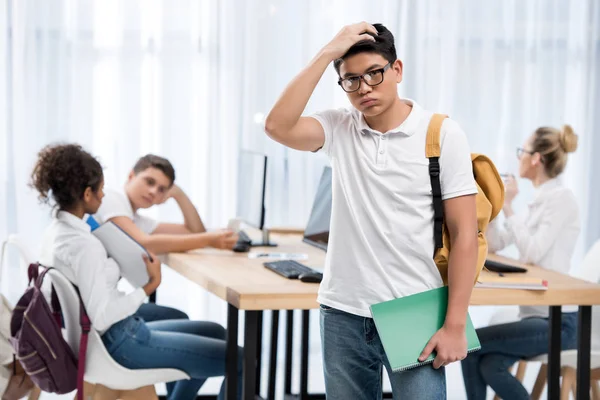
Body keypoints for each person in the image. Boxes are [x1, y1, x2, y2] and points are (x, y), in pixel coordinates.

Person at [265, 22, 479, 399]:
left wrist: (455, 323)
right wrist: (327, 52)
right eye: (351, 80)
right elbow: (277, 126)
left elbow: (464, 235)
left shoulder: (442, 133)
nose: (364, 87)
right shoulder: (338, 127)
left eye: (374, 74)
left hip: (415, 308)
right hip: (342, 311)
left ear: (397, 70)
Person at [33, 144, 242, 400]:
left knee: (216, 333)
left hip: (116, 333)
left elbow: (192, 231)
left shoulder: (60, 232)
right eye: (100, 190)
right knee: (241, 360)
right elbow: (102, 317)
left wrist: (178, 196)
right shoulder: (84, 244)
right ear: (88, 194)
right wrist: (148, 286)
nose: (103, 196)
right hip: (118, 343)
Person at [461, 125, 580, 400]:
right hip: (536, 317)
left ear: (536, 158)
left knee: (469, 346)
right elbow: (498, 242)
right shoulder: (538, 202)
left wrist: (509, 207)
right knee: (490, 364)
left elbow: (534, 252)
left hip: (560, 322)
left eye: (522, 152)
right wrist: (492, 202)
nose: (519, 158)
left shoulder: (561, 199)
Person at [94, 154, 238, 254]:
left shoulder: (135, 220)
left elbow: (195, 232)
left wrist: (178, 194)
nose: (153, 191)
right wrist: (209, 239)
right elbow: (144, 242)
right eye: (149, 182)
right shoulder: (111, 198)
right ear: (131, 176)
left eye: (161, 189)